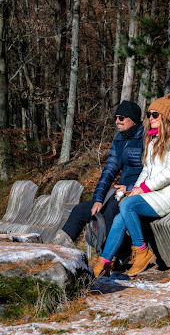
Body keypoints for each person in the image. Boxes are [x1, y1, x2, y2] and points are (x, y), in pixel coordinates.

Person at [93, 93, 170, 277]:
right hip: (157, 194)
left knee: (128, 205)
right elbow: (145, 172)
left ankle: (142, 250)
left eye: (155, 115)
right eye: (149, 114)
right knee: (122, 213)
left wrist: (142, 190)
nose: (150, 118)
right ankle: (105, 261)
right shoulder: (153, 141)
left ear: (166, 117)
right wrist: (134, 191)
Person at [52, 100, 145, 248]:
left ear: (133, 119)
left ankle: (115, 257)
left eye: (121, 118)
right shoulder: (119, 140)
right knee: (80, 211)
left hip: (137, 192)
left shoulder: (145, 139)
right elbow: (108, 171)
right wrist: (98, 199)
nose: (117, 121)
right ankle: (59, 251)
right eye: (115, 117)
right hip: (119, 192)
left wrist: (129, 188)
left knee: (110, 212)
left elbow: (152, 173)